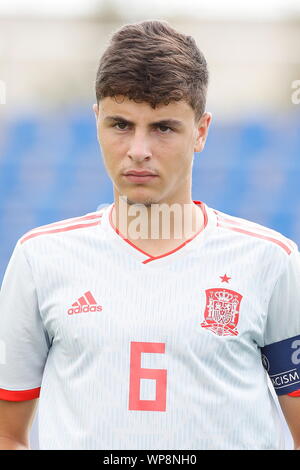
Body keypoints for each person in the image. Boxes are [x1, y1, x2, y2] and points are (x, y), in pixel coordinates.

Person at [0, 19, 299, 451]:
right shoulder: (40, 259)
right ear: (96, 121)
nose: (139, 149)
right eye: (121, 124)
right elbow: (7, 434)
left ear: (200, 130)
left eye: (163, 128)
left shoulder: (271, 262)